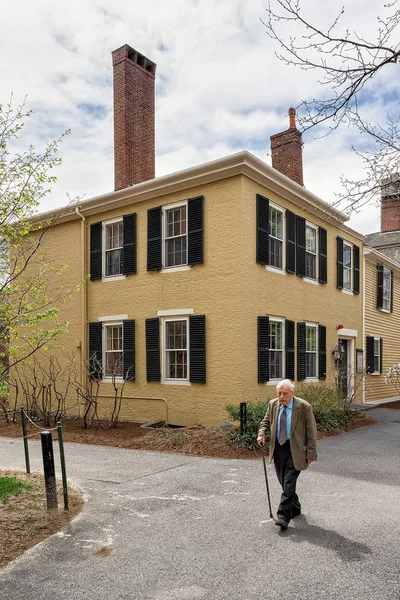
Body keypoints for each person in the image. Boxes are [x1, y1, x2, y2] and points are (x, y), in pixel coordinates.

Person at [257, 379, 318, 530]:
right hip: (278, 448)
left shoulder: (303, 407)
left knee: (289, 481)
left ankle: (283, 516)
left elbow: (311, 432)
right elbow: (266, 421)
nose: (281, 396)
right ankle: (295, 507)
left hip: (296, 450)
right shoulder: (273, 404)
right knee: (284, 482)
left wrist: (311, 453)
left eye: (285, 393)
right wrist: (262, 434)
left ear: (292, 393)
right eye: (279, 393)